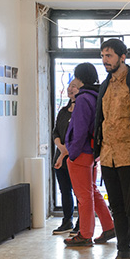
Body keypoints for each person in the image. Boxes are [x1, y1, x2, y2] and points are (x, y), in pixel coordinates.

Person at [94, 39, 130, 259]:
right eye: (103, 55)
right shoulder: (105, 85)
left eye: (109, 56)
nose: (105, 60)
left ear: (122, 57)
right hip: (108, 156)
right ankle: (122, 255)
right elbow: (100, 120)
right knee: (116, 209)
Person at [62, 63, 115, 248]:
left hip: (81, 152)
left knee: (83, 196)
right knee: (92, 191)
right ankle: (109, 226)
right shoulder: (96, 95)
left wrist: (72, 154)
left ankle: (85, 235)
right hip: (92, 151)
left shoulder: (83, 99)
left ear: (79, 78)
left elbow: (80, 129)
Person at [51, 92, 77, 236]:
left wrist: (64, 152)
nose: (71, 89)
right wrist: (60, 147)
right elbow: (55, 132)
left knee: (79, 192)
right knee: (64, 190)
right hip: (60, 158)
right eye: (70, 86)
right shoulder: (62, 111)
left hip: (74, 157)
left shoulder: (80, 112)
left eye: (74, 86)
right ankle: (67, 220)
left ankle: (81, 224)